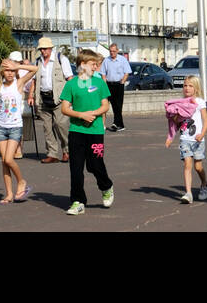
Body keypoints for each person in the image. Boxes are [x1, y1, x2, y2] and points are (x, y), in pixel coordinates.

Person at [59, 50, 115, 215]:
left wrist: (94, 114)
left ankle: (106, 186)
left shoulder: (99, 83)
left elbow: (105, 106)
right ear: (82, 65)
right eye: (93, 64)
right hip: (76, 131)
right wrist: (80, 115)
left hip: (96, 131)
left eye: (96, 64)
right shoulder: (71, 84)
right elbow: (64, 108)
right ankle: (78, 201)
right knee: (76, 168)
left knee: (94, 164)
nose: (96, 67)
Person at [0, 56, 39, 203]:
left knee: (9, 159)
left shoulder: (19, 84)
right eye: (7, 70)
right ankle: (8, 194)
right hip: (1, 127)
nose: (10, 73)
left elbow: (35, 69)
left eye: (12, 71)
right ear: (2, 72)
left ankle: (21, 181)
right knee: (4, 162)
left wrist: (17, 66)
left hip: (15, 127)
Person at [165, 75, 207, 203]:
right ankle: (188, 193)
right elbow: (175, 123)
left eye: (190, 86)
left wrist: (202, 134)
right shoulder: (180, 103)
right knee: (187, 165)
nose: (187, 88)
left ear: (196, 88)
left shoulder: (200, 102)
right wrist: (170, 137)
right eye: (185, 85)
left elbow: (206, 121)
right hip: (185, 139)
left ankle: (204, 184)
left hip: (198, 140)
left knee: (198, 167)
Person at [30, 38, 73, 164]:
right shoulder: (37, 62)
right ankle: (52, 153)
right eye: (41, 49)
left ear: (51, 48)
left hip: (59, 98)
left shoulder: (61, 59)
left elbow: (70, 79)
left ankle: (67, 151)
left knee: (61, 125)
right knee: (47, 128)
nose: (43, 51)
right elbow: (34, 80)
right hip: (43, 98)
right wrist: (31, 96)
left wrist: (71, 98)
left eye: (45, 48)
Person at [102, 43, 132, 132]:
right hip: (109, 84)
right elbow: (103, 73)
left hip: (119, 84)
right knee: (109, 105)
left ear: (117, 51)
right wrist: (104, 84)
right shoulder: (106, 60)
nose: (112, 53)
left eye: (114, 51)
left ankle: (118, 124)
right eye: (110, 51)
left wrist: (123, 81)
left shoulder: (122, 60)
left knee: (118, 105)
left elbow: (127, 72)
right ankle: (118, 124)